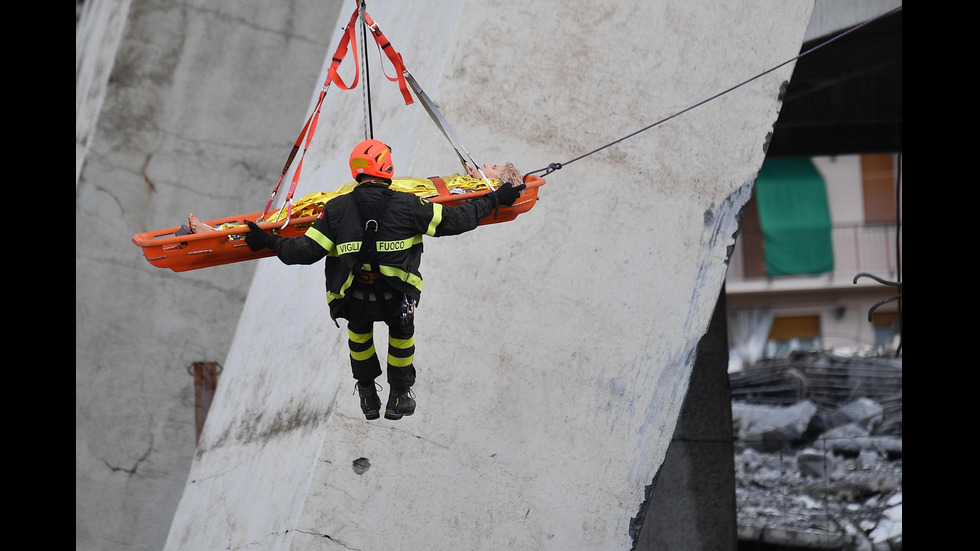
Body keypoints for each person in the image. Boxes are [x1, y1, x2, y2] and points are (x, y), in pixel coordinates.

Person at [241, 139, 525, 420]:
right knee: (402, 335)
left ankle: (367, 394)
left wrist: (268, 240)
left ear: (357, 171)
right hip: (396, 297)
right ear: (387, 169)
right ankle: (399, 395)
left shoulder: (336, 210)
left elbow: (303, 251)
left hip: (353, 299)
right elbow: (456, 221)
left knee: (359, 333)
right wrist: (495, 199)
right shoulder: (409, 205)